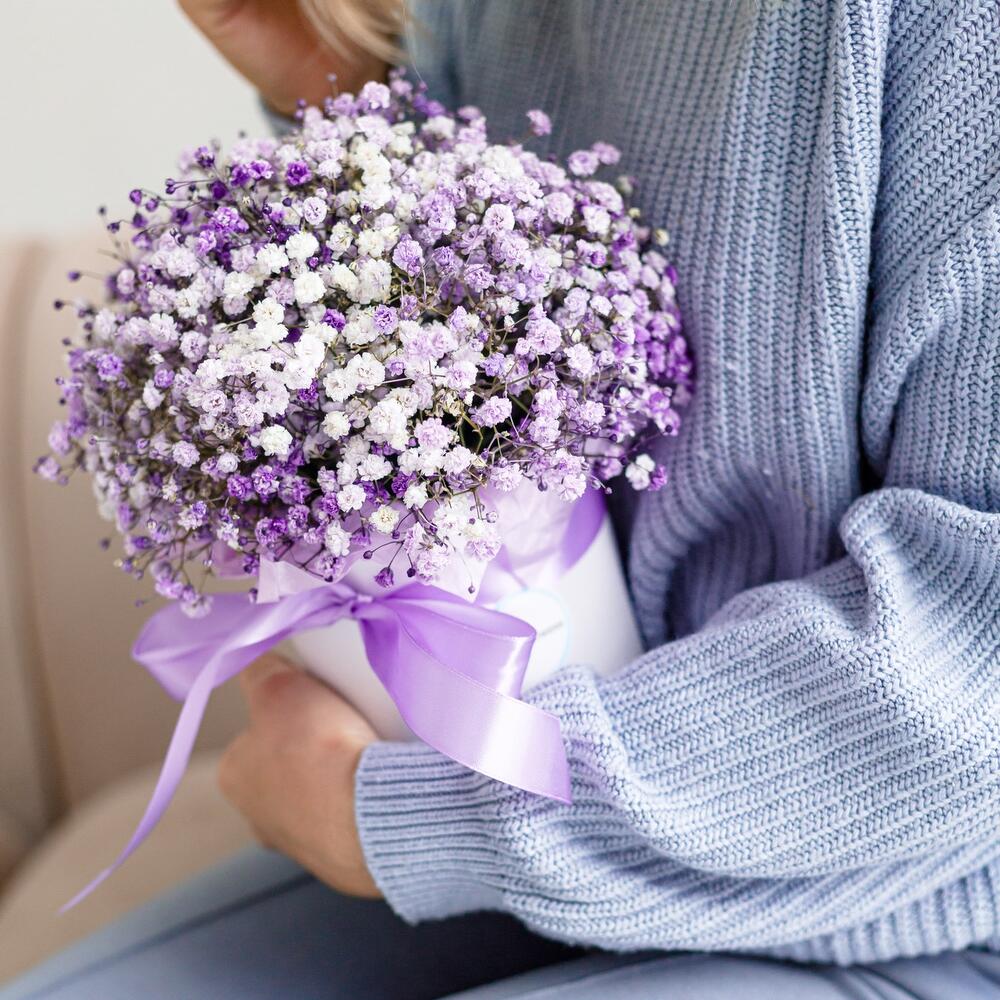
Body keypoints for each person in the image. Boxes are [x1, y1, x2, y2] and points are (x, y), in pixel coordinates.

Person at [4, 0, 999, 996]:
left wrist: (408, 820)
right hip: (566, 851)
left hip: (913, 902)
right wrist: (349, 103)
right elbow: (482, 343)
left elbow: (971, 665)